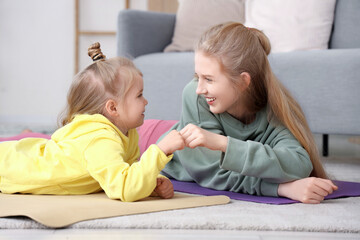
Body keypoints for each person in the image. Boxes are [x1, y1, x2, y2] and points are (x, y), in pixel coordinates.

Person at [157, 22, 338, 204]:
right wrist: (280, 188)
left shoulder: (275, 108)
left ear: (243, 81)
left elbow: (299, 166)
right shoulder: (195, 96)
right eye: (198, 77)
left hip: (185, 125)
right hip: (150, 137)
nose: (199, 88)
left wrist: (223, 144)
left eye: (209, 79)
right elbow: (212, 174)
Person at [0, 42, 185, 202]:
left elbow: (122, 173)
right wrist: (160, 151)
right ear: (113, 108)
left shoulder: (127, 132)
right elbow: (124, 188)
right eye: (139, 95)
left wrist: (153, 182)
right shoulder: (100, 139)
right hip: (11, 167)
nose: (146, 101)